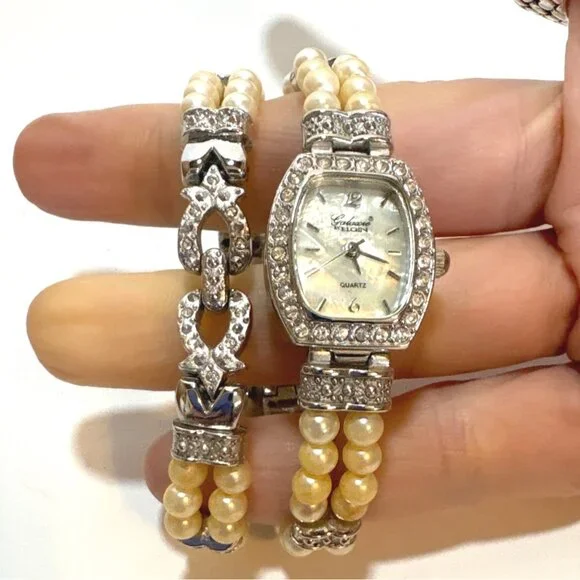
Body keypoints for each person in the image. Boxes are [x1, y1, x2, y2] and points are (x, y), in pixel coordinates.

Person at [13, 3, 580, 531]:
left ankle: (321, 522)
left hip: (355, 323)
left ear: (428, 261)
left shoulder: (384, 208)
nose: (354, 251)